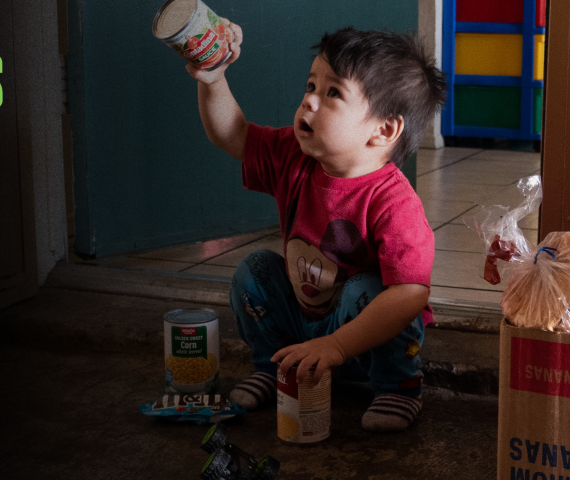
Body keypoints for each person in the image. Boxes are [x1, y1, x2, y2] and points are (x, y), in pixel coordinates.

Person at [189, 22, 447, 431]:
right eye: (311, 85)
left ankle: (397, 387)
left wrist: (338, 345)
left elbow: (411, 293)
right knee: (253, 269)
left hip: (364, 341)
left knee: (374, 290)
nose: (308, 100)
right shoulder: (294, 158)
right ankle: (277, 365)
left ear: (383, 130)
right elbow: (231, 134)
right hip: (307, 325)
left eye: (332, 93)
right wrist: (213, 79)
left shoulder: (394, 202)